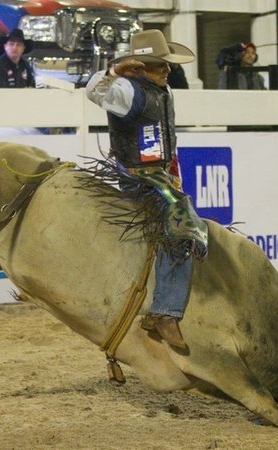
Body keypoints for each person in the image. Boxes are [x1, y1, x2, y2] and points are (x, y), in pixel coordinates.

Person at [86, 29, 208, 349]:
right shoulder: (127, 89)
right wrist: (114, 71)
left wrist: (172, 172)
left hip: (157, 173)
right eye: (160, 64)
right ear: (141, 67)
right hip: (137, 174)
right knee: (182, 224)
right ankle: (166, 313)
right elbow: (94, 92)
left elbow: (165, 137)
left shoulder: (160, 91)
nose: (168, 69)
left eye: (166, 63)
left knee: (182, 220)